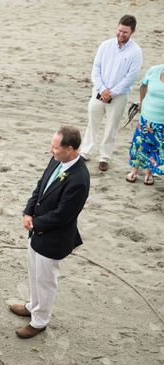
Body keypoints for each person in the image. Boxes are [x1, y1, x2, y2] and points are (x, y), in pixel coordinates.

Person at [9, 126, 90, 338]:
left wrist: (35, 223)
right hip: (36, 232)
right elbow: (40, 186)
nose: (50, 151)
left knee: (45, 280)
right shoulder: (57, 160)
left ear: (70, 149)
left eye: (55, 148)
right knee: (34, 274)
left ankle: (40, 320)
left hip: (53, 239)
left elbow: (63, 215)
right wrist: (28, 211)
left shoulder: (79, 179)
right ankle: (32, 305)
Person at [80, 15, 143, 172]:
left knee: (111, 127)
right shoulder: (105, 45)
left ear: (132, 31)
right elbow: (96, 69)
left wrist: (112, 92)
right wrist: (102, 89)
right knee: (92, 123)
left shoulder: (136, 52)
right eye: (120, 30)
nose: (121, 35)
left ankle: (104, 157)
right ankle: (86, 152)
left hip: (119, 96)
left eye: (125, 32)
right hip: (99, 91)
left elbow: (131, 77)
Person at [126, 64, 164, 185]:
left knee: (155, 147)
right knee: (140, 144)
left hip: (162, 122)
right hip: (146, 117)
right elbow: (143, 86)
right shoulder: (154, 71)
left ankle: (149, 172)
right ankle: (134, 170)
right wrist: (141, 103)